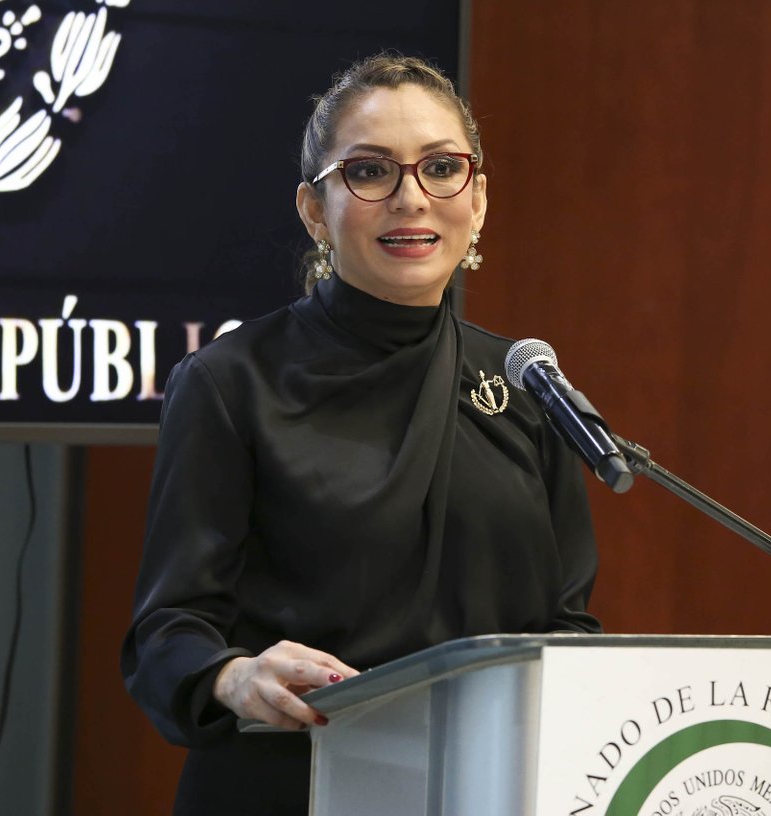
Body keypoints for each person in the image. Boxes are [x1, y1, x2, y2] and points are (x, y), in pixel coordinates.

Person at [121, 53, 602, 816]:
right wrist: (233, 676)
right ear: (316, 210)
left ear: (476, 201)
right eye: (371, 172)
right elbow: (168, 633)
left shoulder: (522, 382)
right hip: (290, 786)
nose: (411, 198)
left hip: (486, 789)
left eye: (442, 168)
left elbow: (566, 627)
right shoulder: (231, 381)